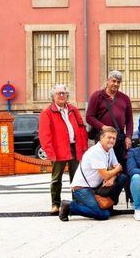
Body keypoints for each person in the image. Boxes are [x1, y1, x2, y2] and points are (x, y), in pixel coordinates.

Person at [39, 84, 88, 215]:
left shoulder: (74, 109)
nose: (61, 95)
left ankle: (77, 203)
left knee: (77, 178)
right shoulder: (47, 112)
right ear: (53, 96)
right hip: (58, 149)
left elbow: (82, 129)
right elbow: (44, 135)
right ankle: (55, 204)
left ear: (67, 95)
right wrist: (50, 152)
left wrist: (83, 147)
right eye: (58, 93)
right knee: (56, 178)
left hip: (74, 147)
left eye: (63, 93)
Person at [58, 127, 126, 221]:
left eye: (114, 138)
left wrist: (113, 177)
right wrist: (117, 169)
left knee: (121, 178)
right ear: (101, 138)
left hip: (96, 186)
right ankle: (69, 206)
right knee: (103, 215)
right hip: (82, 189)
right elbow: (107, 174)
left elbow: (117, 169)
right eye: (109, 137)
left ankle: (109, 207)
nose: (112, 140)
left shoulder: (110, 149)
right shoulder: (96, 151)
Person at [86, 70, 133, 200]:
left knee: (122, 168)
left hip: (120, 139)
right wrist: (103, 127)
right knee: (105, 169)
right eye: (113, 81)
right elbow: (89, 117)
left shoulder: (124, 98)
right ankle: (104, 198)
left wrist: (128, 136)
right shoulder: (97, 96)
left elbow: (129, 120)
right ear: (107, 81)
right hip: (103, 139)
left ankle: (128, 198)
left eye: (118, 82)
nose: (115, 84)